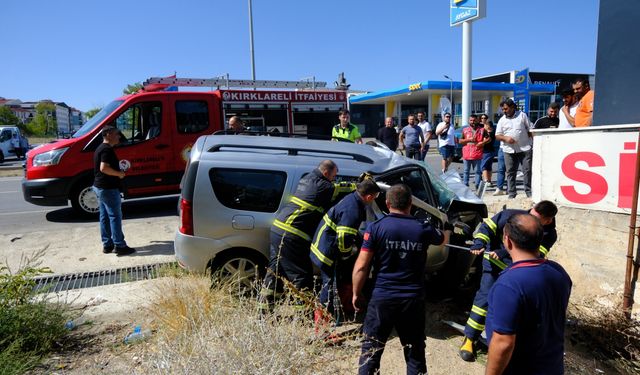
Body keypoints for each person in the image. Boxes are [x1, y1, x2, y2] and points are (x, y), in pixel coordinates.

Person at [352, 184, 451, 375]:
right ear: (411, 203)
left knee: (371, 350)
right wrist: (448, 232)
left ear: (388, 203)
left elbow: (362, 266)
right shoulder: (422, 228)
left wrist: (356, 293)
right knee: (414, 351)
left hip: (382, 298)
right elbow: (442, 239)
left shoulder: (375, 228)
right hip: (412, 300)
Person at [459, 200, 558, 362]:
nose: (530, 219)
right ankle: (470, 339)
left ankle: (504, 344)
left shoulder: (549, 234)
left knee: (511, 308)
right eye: (531, 214)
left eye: (536, 219)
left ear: (548, 220)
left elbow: (536, 253)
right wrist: (479, 242)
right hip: (492, 265)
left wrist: (503, 252)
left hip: (516, 271)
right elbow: (486, 227)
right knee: (482, 303)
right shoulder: (511, 216)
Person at [258, 160, 356, 312]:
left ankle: (263, 310)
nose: (335, 179)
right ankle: (303, 315)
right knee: (301, 275)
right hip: (291, 234)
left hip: (278, 229)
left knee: (276, 270)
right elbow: (341, 188)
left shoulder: (307, 178)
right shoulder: (322, 186)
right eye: (334, 176)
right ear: (325, 173)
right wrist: (360, 184)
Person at [485, 214, 571, 375]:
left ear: (508, 241)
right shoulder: (559, 272)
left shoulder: (509, 285)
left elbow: (503, 343)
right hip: (552, 367)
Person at [310, 176, 380, 320]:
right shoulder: (353, 209)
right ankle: (323, 318)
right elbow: (343, 237)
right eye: (374, 197)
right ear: (368, 196)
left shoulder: (353, 198)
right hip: (326, 251)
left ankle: (339, 308)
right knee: (329, 285)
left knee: (334, 282)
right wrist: (348, 253)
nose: (374, 199)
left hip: (323, 245)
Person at [93, 126, 135, 256]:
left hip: (100, 187)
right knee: (115, 217)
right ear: (108, 134)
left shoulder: (100, 148)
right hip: (108, 188)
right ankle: (120, 245)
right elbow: (104, 168)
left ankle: (108, 244)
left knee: (104, 216)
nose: (119, 136)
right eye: (117, 134)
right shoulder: (106, 149)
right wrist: (119, 174)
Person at [495, 99, 533, 199]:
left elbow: (530, 129)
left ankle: (529, 192)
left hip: (524, 148)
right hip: (509, 150)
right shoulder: (502, 120)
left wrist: (532, 143)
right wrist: (505, 138)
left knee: (527, 170)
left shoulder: (522, 115)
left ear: (512, 107)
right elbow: (497, 136)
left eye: (506, 109)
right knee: (510, 172)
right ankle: (512, 193)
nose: (504, 111)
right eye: (503, 109)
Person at [459, 114, 484, 190]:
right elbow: (460, 141)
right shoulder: (465, 130)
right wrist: (468, 140)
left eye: (474, 120)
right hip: (467, 154)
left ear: (477, 120)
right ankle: (465, 185)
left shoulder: (482, 130)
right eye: (471, 120)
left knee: (478, 171)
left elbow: (488, 139)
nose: (472, 122)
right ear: (469, 121)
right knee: (466, 171)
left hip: (477, 153)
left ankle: (477, 185)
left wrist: (483, 143)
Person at [478, 115, 496, 187]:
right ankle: (489, 180)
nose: (484, 126)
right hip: (491, 151)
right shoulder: (492, 131)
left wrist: (481, 143)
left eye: (485, 125)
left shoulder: (489, 133)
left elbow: (488, 140)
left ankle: (486, 180)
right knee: (489, 167)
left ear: (488, 126)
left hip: (486, 151)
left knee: (484, 166)